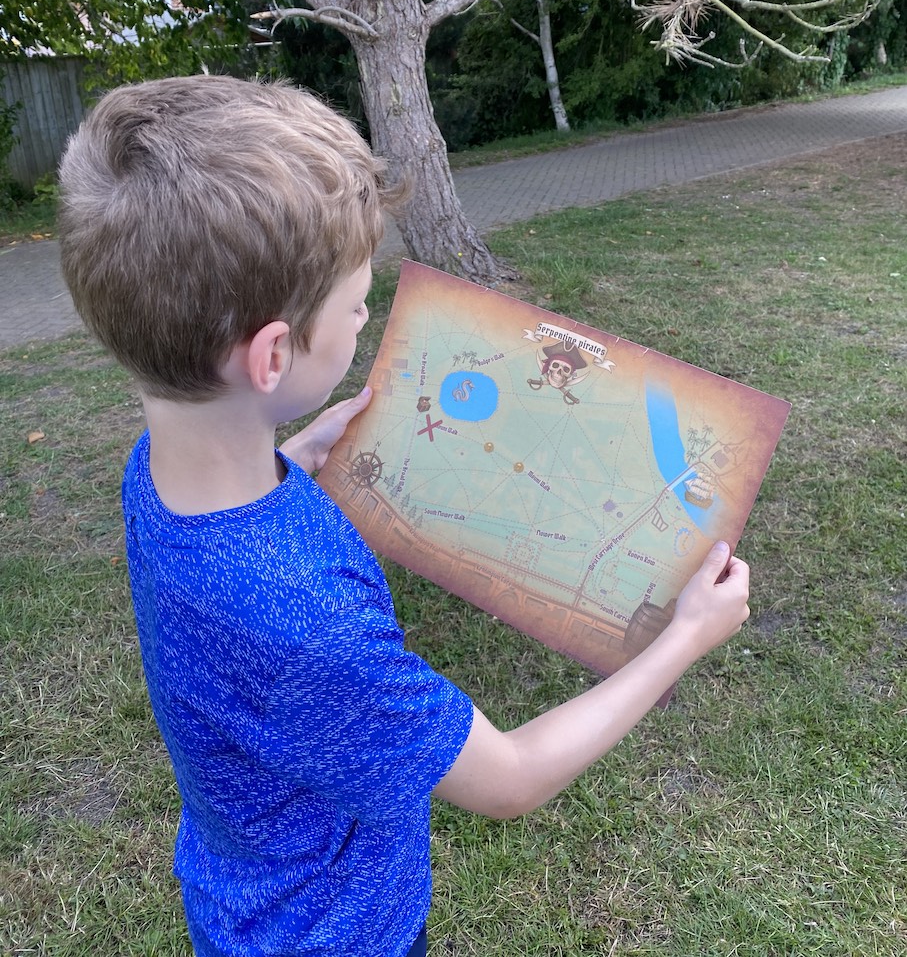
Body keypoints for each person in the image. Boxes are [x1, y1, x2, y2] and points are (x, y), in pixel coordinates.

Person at [58, 76, 750, 957]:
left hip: (243, 893)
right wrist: (684, 635)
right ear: (273, 353)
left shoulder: (155, 470)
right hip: (337, 933)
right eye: (355, 307)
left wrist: (300, 453)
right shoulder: (307, 633)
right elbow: (511, 780)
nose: (362, 322)